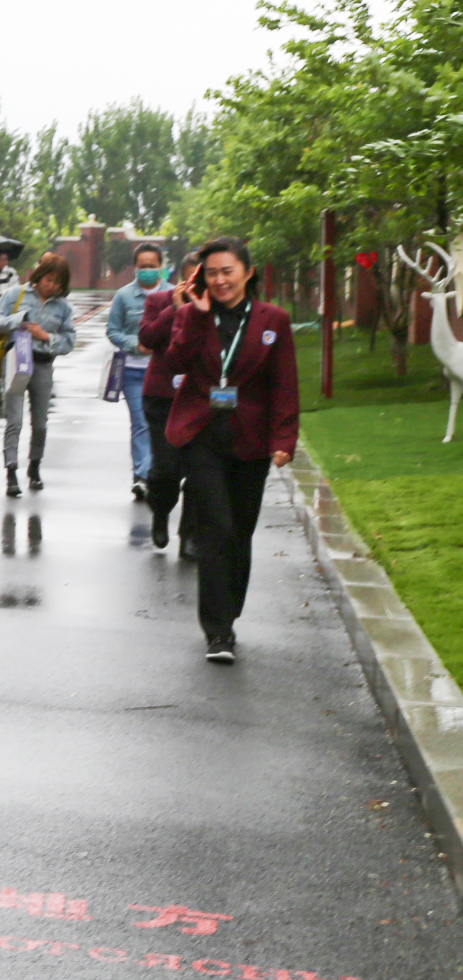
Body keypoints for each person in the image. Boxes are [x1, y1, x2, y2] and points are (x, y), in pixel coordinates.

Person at [147, 236, 298, 661]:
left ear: (247, 273)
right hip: (201, 437)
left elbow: (284, 383)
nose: (220, 280)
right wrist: (196, 316)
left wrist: (284, 439)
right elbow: (174, 363)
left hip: (250, 440)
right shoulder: (192, 315)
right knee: (215, 528)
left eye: (227, 271)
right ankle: (218, 630)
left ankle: (228, 610)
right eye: (211, 273)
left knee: (240, 531)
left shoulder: (273, 320)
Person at [139, 251, 202, 552]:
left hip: (200, 399)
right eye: (190, 280)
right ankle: (161, 512)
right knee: (166, 468)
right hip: (162, 396)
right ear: (180, 279)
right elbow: (147, 338)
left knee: (200, 470)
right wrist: (175, 310)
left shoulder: (214, 306)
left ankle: (189, 534)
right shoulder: (158, 301)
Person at [0, 253, 76, 497]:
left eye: (57, 282)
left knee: (40, 422)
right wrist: (18, 320)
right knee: (14, 420)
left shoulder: (63, 307)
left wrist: (46, 337)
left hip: (43, 364)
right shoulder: (16, 294)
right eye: (48, 280)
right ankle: (11, 471)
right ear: (39, 276)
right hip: (17, 359)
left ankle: (34, 466)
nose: (51, 286)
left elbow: (69, 341)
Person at [106, 244, 169, 500]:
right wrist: (136, 344)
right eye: (142, 266)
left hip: (165, 372)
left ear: (161, 266)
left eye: (152, 266)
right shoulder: (124, 296)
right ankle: (142, 476)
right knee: (141, 422)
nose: (147, 270)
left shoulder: (173, 294)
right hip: (133, 371)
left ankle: (160, 471)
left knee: (162, 424)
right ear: (135, 268)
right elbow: (113, 331)